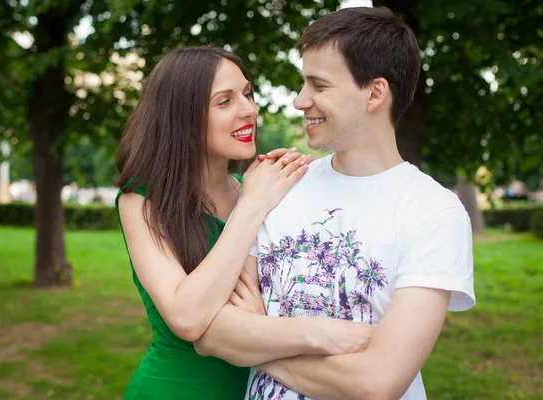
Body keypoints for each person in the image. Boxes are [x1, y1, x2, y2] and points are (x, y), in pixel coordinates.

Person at [194, 7, 476, 400]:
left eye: (319, 86)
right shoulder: (278, 185)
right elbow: (210, 334)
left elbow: (376, 383)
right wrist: (309, 337)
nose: (299, 100)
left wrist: (260, 342)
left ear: (375, 93)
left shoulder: (433, 212)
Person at [114, 46, 374, 400]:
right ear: (184, 119)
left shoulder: (271, 192)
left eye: (248, 94)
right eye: (224, 102)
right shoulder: (140, 202)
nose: (248, 110)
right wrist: (251, 206)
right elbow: (187, 317)